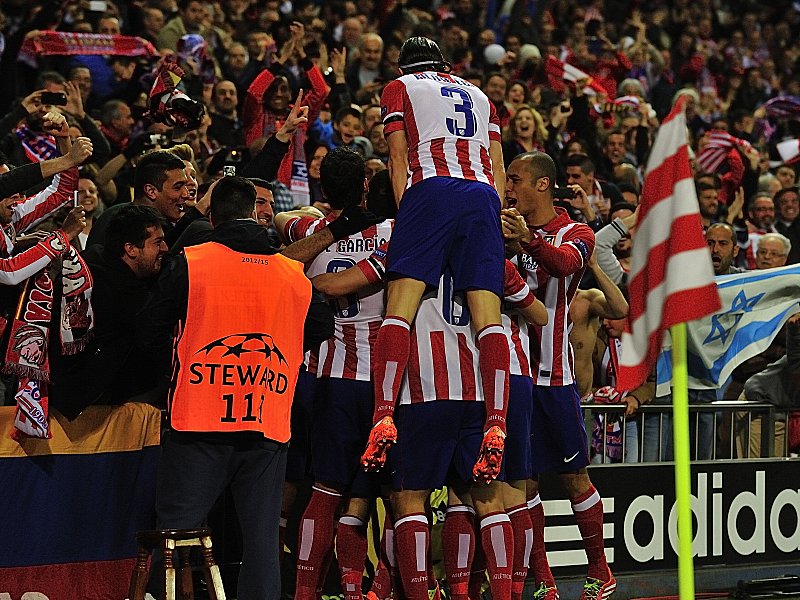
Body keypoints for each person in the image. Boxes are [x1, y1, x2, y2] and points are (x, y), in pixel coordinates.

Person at [312, 253, 546, 600]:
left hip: (420, 392)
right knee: (486, 499)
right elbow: (540, 314)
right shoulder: (489, 259)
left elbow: (336, 285)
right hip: (477, 392)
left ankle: (418, 593)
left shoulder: (406, 252)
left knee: (408, 501)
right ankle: (498, 594)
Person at [137, 177, 327, 600]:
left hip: (198, 416)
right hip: (267, 416)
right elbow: (319, 327)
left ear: (212, 216)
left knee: (178, 533)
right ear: (253, 215)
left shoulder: (192, 260)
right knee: (260, 539)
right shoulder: (291, 272)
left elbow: (149, 329)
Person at [363, 36, 509, 483]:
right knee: (490, 319)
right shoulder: (481, 95)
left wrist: (408, 216)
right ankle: (497, 421)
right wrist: (491, 217)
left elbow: (398, 156)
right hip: (482, 194)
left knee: (399, 308)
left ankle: (383, 414)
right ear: (445, 64)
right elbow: (499, 165)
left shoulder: (399, 87)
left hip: (430, 187)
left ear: (406, 65)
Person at [274, 147, 394, 600]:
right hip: (379, 380)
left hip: (319, 375)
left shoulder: (305, 229)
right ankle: (355, 587)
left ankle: (304, 591)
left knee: (322, 490)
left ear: (323, 188)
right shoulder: (391, 232)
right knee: (375, 494)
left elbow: (289, 222)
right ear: (365, 185)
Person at [501, 152, 612, 600]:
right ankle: (543, 581)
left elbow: (567, 265)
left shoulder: (576, 231)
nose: (508, 186)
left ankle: (600, 572)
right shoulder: (504, 224)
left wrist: (527, 241)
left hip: (554, 377)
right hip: (512, 373)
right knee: (524, 483)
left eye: (515, 179)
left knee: (573, 478)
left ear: (542, 185)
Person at [52, 205, 168, 419]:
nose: (165, 249)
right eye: (158, 243)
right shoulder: (119, 291)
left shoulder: (93, 264)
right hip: (86, 409)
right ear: (131, 249)